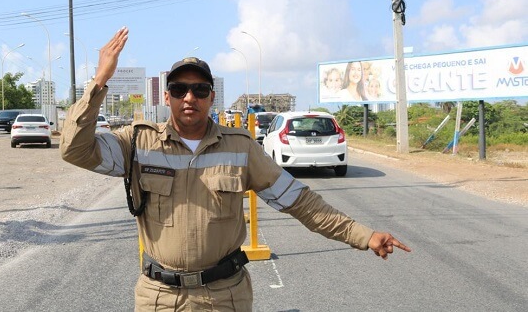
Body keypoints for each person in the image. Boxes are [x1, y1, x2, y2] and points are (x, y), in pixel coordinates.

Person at [60, 27, 411, 311]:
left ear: (212, 97)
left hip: (224, 297)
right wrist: (99, 83)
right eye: (179, 89)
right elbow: (74, 149)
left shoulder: (240, 147)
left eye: (199, 89)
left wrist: (363, 235)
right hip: (159, 298)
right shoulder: (137, 143)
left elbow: (300, 202)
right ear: (166, 97)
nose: (189, 98)